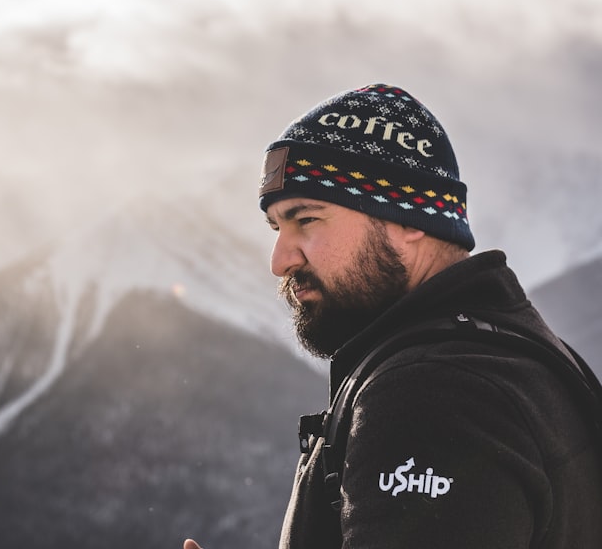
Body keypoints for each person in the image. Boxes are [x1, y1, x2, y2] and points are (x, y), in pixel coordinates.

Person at [184, 82, 602, 549]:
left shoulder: (434, 392)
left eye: (306, 220)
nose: (280, 260)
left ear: (408, 220)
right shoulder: (521, 352)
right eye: (277, 227)